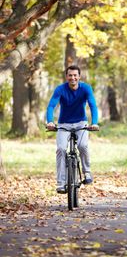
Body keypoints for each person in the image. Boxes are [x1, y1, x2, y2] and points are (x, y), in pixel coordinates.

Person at [46, 65, 99, 194]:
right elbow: (51, 106)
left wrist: (95, 123)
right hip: (64, 124)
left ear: (79, 77)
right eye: (70, 75)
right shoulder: (60, 89)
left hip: (81, 123)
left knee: (83, 146)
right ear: (66, 77)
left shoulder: (86, 88)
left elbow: (92, 105)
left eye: (75, 75)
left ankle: (87, 173)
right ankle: (61, 183)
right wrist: (50, 121)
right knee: (61, 149)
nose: (73, 78)